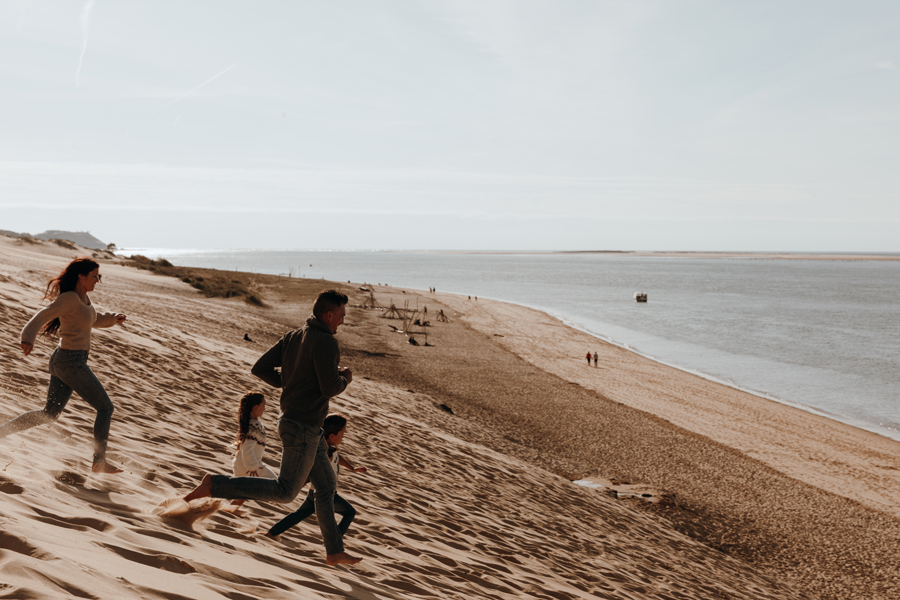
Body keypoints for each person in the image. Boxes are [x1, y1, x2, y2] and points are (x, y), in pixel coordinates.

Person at [183, 289, 361, 566]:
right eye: (340, 316)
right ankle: (214, 484)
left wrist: (289, 383)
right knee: (285, 492)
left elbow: (261, 368)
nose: (342, 321)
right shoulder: (326, 342)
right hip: (303, 426)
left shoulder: (294, 335)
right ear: (329, 315)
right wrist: (345, 379)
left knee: (326, 488)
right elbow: (329, 388)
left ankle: (334, 551)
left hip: (304, 427)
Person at [0, 257, 127, 474]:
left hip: (65, 360)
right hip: (70, 362)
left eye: (99, 276)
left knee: (50, 413)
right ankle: (99, 461)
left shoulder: (83, 299)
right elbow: (43, 315)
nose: (98, 280)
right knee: (106, 408)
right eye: (95, 276)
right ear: (82, 276)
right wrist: (27, 337)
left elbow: (93, 320)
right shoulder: (69, 298)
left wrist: (113, 319)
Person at [266, 413, 365, 540]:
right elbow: (309, 474)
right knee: (349, 512)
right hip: (326, 494)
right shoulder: (325, 453)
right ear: (332, 436)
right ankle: (335, 542)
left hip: (315, 493)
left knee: (299, 514)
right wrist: (296, 487)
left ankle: (272, 533)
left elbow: (337, 458)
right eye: (342, 434)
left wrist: (352, 468)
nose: (343, 437)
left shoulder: (331, 449)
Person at [228, 392, 276, 510]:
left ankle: (230, 510)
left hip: (243, 464)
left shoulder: (250, 423)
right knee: (276, 485)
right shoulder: (255, 425)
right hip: (249, 467)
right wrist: (253, 467)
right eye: (263, 405)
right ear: (255, 407)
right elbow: (247, 449)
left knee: (245, 493)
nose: (264, 409)